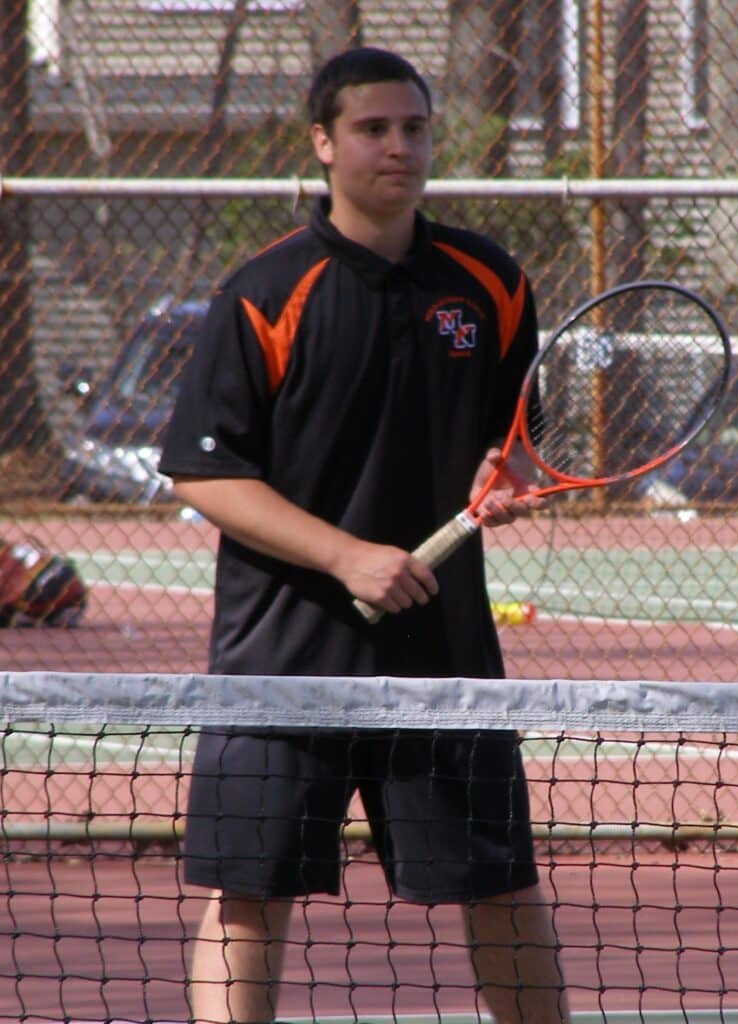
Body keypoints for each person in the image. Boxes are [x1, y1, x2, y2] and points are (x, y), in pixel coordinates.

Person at [159, 46, 570, 1024]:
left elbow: (517, 451)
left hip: (443, 653)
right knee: (249, 895)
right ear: (322, 143)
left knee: (500, 890)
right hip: (280, 656)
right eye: (373, 129)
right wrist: (345, 555)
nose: (399, 148)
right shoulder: (264, 290)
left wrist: (508, 481)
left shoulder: (491, 282)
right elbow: (203, 471)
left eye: (414, 128)